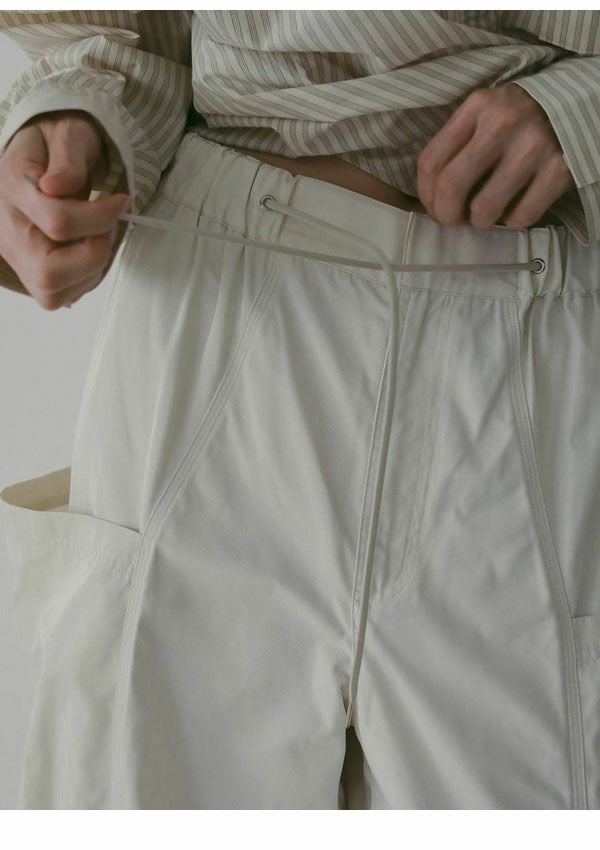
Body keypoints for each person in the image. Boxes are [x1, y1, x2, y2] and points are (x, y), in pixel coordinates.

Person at [0, 10, 598, 810]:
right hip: (226, 309)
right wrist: (70, 121)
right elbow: (123, 35)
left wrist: (586, 110)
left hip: (535, 333)